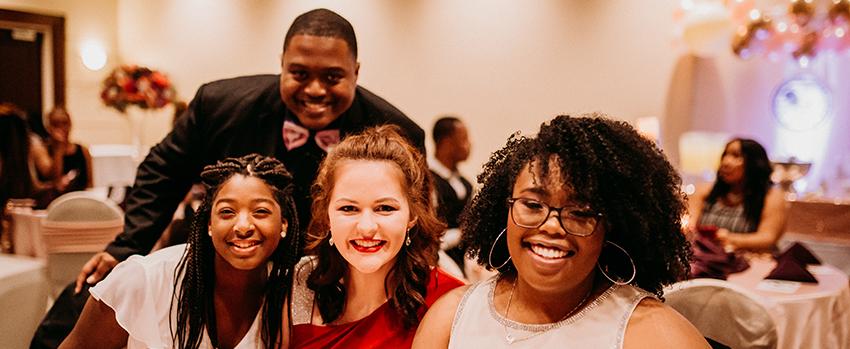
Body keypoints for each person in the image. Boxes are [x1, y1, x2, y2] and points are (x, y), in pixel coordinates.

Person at [74, 8, 424, 292]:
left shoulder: (399, 132)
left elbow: (415, 221)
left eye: (332, 77)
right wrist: (127, 247)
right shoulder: (219, 106)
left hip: (341, 284)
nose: (315, 90)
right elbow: (162, 172)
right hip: (230, 274)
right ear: (282, 65)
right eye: (299, 74)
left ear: (356, 72)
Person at [413, 114, 709, 348]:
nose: (551, 225)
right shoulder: (453, 318)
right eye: (532, 204)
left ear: (612, 228)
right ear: (504, 210)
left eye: (579, 212)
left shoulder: (652, 333)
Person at [59, 154, 301, 348]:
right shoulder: (142, 280)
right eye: (227, 212)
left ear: (284, 225)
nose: (243, 226)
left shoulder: (293, 296)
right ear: (208, 224)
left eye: (261, 212)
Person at [290, 125, 464, 348]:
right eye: (349, 209)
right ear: (327, 216)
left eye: (384, 208)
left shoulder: (451, 300)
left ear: (412, 215)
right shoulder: (301, 282)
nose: (366, 227)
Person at [687, 138, 787, 252]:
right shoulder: (705, 190)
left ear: (754, 163)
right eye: (725, 155)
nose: (725, 162)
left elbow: (767, 238)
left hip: (754, 262)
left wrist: (729, 238)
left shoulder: (771, 196)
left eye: (735, 156)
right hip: (707, 258)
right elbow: (689, 225)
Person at [429, 116, 473, 278]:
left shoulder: (465, 183)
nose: (469, 145)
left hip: (464, 255)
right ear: (446, 143)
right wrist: (460, 235)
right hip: (439, 255)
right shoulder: (429, 180)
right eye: (464, 139)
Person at [43, 107, 93, 195]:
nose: (61, 128)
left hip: (79, 198)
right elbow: (54, 178)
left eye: (65, 123)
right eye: (56, 124)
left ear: (70, 124)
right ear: (48, 127)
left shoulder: (83, 150)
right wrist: (59, 149)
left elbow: (89, 182)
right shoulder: (44, 151)